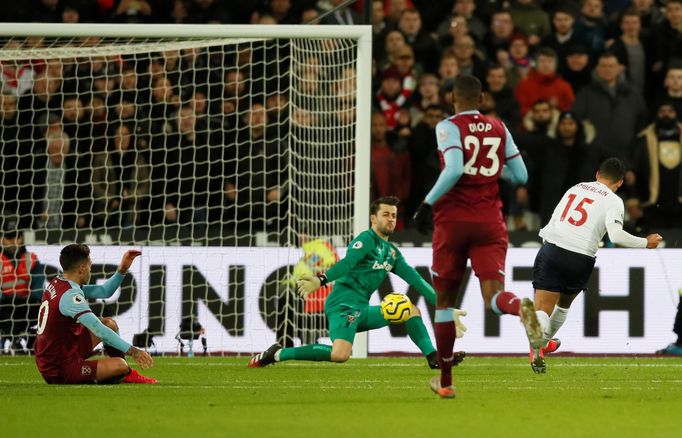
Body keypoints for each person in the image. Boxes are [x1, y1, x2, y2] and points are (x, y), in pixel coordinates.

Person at [412, 75, 536, 399]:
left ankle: (447, 381)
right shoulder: (499, 127)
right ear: (481, 98)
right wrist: (491, 173)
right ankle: (518, 308)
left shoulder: (447, 127)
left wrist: (426, 203)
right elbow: (521, 175)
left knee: (444, 303)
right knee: (494, 298)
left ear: (451, 96)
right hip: (490, 222)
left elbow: (452, 169)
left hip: (452, 222)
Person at [248, 196, 466, 370]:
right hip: (342, 305)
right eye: (386, 215)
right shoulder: (366, 240)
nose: (390, 219)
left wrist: (445, 309)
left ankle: (433, 357)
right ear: (373, 219)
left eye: (394, 215)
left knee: (410, 309)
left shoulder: (392, 254)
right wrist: (320, 280)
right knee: (340, 355)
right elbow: (347, 263)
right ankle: (278, 353)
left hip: (361, 308)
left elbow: (417, 280)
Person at [530, 158, 662, 372]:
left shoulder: (577, 187)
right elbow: (616, 236)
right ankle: (544, 343)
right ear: (619, 183)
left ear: (597, 175)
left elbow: (554, 219)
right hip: (581, 257)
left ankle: (538, 341)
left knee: (543, 308)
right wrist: (646, 242)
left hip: (553, 248)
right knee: (563, 306)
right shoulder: (614, 200)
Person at [34, 244, 156, 384]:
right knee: (119, 365)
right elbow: (98, 329)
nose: (90, 270)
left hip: (60, 351)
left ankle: (124, 375)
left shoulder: (59, 282)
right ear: (82, 268)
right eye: (90, 266)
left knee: (109, 324)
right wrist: (134, 351)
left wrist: (122, 269)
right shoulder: (70, 296)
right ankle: (119, 373)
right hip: (58, 368)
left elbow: (104, 291)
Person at [0, 216, 45, 353]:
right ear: (1, 238)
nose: (13, 242)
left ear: (21, 238)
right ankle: (12, 341)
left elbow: (38, 288)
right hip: (4, 306)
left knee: (43, 308)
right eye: (9, 238)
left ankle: (31, 342)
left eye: (16, 237)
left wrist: (29, 299)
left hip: (27, 305)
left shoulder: (31, 259)